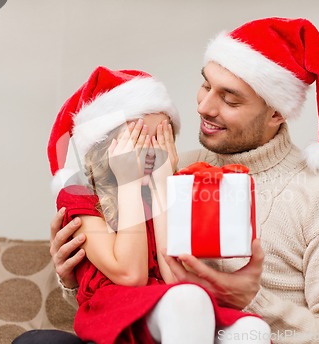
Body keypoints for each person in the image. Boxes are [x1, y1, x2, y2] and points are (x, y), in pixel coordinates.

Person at [16, 17, 319, 344]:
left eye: (229, 99)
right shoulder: (174, 166)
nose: (204, 107)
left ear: (276, 113)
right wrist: (73, 273)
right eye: (205, 86)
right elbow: (130, 284)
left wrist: (252, 300)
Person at [14, 66, 270, 344]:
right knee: (189, 298)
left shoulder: (166, 187)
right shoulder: (80, 192)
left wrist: (163, 186)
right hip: (116, 312)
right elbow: (130, 274)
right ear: (106, 147)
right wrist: (128, 183)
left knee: (252, 330)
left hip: (169, 307)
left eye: (161, 139)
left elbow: (174, 277)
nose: (151, 152)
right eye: (138, 140)